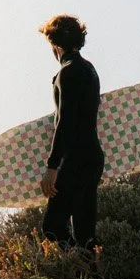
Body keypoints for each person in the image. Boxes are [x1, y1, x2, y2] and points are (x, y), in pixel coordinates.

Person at [38, 13, 104, 253]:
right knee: (85, 232)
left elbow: (65, 122)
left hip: (76, 158)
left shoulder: (67, 72)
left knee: (53, 226)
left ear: (54, 44)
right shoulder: (89, 69)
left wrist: (52, 167)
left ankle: (73, 275)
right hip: (94, 157)